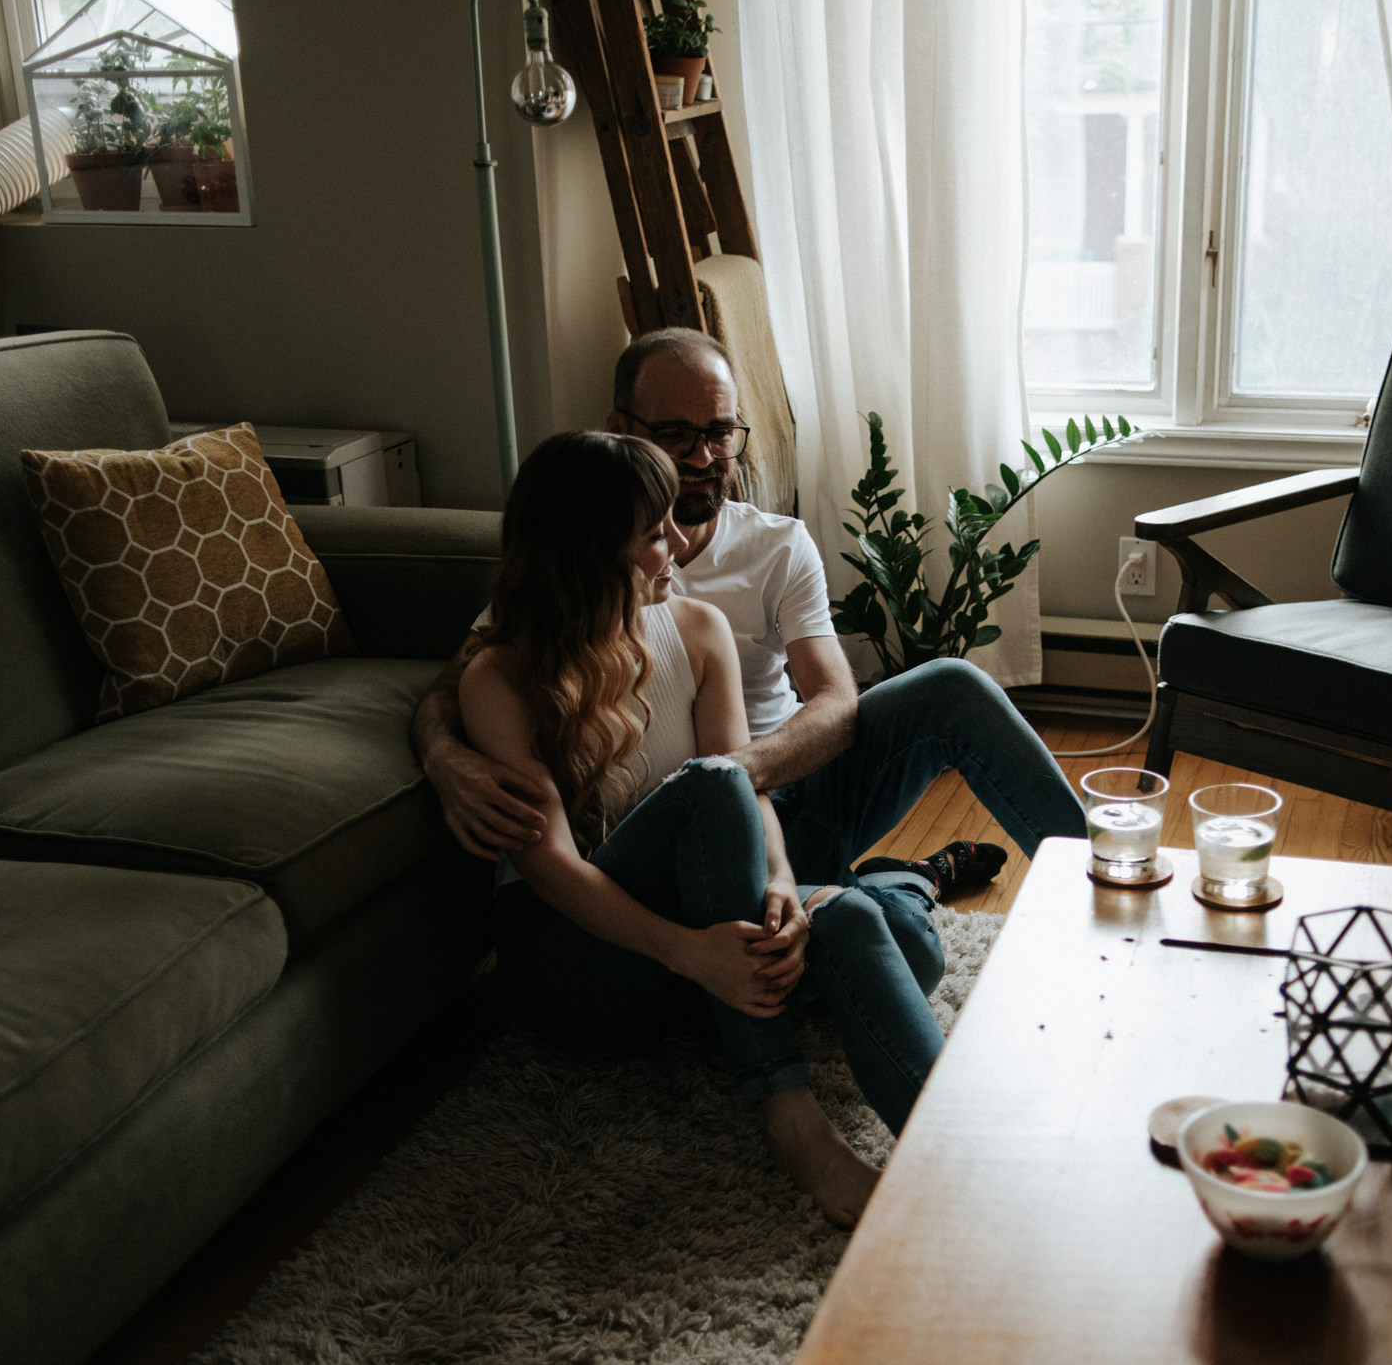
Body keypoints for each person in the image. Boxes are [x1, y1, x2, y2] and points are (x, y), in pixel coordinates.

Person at [459, 430, 947, 1228]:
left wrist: (784, 884)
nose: (677, 545)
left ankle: (958, 1178)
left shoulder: (696, 628)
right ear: (588, 552)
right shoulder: (501, 677)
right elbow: (546, 864)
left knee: (857, 919)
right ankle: (791, 1114)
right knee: (716, 784)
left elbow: (747, 785)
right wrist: (693, 952)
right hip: (576, 963)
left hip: (692, 933)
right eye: (652, 533)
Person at [413, 328, 1085, 896]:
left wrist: (732, 778)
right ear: (619, 430)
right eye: (677, 434)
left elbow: (833, 697)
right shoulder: (577, 564)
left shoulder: (776, 543)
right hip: (668, 846)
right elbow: (463, 681)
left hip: (779, 793)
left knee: (954, 686)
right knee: (883, 935)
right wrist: (445, 757)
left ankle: (1106, 884)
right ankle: (904, 884)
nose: (705, 458)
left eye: (722, 432)